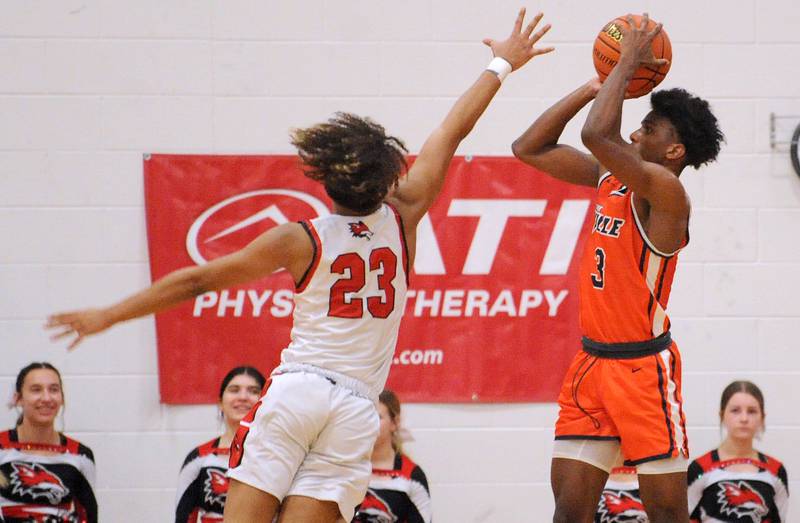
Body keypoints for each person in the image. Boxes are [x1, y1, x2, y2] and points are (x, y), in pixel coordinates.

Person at [46, 9, 554, 522]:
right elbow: (453, 128)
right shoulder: (406, 214)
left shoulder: (300, 238)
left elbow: (197, 279)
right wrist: (500, 64)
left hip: (299, 392)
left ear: (323, 179)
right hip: (357, 409)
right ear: (387, 177)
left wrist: (110, 314)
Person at [512, 13, 724, 523]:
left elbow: (596, 134)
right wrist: (596, 82)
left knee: (669, 515)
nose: (634, 130)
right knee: (569, 512)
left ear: (673, 150)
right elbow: (529, 148)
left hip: (642, 369)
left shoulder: (668, 194)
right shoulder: (613, 178)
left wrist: (626, 62)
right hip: (590, 364)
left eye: (648, 129)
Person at [0, 362, 98, 522]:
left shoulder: (80, 455)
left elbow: (88, 516)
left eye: (53, 390)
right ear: (18, 398)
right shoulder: (2, 448)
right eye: (36, 390)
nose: (46, 398)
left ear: (62, 398)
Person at [175, 366, 267, 522]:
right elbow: (182, 517)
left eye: (253, 391)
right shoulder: (199, 457)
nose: (243, 397)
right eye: (234, 390)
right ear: (220, 402)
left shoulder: (278, 457)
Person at [688, 381, 789, 522]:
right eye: (735, 410)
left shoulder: (776, 470)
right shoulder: (699, 468)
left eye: (752, 411)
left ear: (762, 417)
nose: (744, 418)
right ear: (722, 415)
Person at [353, 390, 430, 523]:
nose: (370, 423)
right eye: (365, 416)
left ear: (395, 422)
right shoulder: (345, 467)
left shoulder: (412, 476)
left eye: (377, 417)